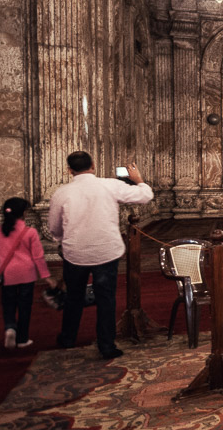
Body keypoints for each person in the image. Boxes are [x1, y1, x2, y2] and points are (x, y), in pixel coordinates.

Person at [47, 151, 153, 359]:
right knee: (106, 299)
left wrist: (64, 240)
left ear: (69, 170)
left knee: (73, 297)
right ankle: (106, 345)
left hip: (75, 253)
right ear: (93, 166)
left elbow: (54, 227)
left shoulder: (61, 193)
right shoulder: (110, 185)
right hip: (106, 251)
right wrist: (138, 180)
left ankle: (68, 338)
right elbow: (145, 196)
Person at [0, 197, 56, 350]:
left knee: (8, 304)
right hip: (27, 274)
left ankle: (10, 327)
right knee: (25, 306)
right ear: (23, 213)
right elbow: (38, 257)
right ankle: (23, 338)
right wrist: (46, 276)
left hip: (7, 274)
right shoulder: (30, 232)